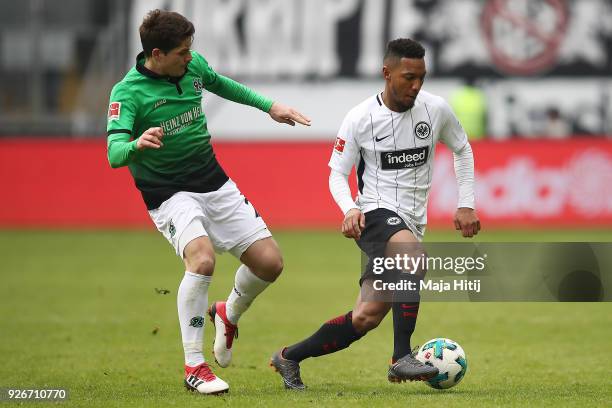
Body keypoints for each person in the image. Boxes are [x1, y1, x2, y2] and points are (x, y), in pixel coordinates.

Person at [106, 9, 310, 395]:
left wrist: (271, 107)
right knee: (202, 259)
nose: (190, 57)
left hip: (212, 180)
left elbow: (223, 84)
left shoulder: (192, 66)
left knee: (270, 263)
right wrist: (135, 144)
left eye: (190, 50)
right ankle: (195, 366)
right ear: (157, 53)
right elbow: (114, 153)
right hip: (167, 192)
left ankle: (226, 313)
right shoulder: (127, 92)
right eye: (182, 52)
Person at [270, 38, 480, 390]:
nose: (416, 85)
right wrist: (349, 208)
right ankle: (401, 358)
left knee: (365, 317)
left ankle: (289, 357)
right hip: (375, 214)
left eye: (421, 78)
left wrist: (467, 202)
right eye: (408, 77)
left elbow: (462, 148)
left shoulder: (436, 109)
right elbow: (337, 173)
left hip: (411, 222)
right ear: (387, 73)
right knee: (413, 257)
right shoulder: (360, 118)